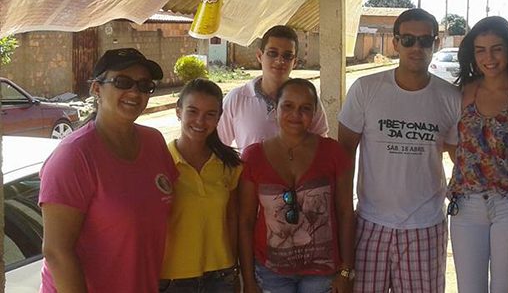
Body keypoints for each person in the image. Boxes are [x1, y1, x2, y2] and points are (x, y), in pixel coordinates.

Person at [338, 8, 461, 293]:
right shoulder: (366, 89)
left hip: (425, 227)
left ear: (436, 43)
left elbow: (461, 159)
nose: (416, 47)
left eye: (425, 40)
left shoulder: (450, 98)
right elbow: (344, 155)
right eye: (408, 40)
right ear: (395, 43)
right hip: (370, 225)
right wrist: (343, 215)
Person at [39, 48, 178, 293]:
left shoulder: (154, 142)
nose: (135, 92)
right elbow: (56, 252)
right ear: (96, 89)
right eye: (122, 82)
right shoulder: (74, 156)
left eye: (144, 85)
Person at [446, 16, 508, 293]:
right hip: (466, 208)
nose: (488, 58)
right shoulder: (463, 94)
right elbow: (450, 142)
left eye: (496, 49)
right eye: (481, 50)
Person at [238, 78, 355, 293]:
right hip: (271, 272)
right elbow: (245, 220)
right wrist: (248, 279)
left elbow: (346, 212)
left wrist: (346, 270)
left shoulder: (334, 153)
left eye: (305, 108)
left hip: (322, 271)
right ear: (276, 108)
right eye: (288, 106)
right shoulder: (253, 157)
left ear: (314, 113)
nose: (296, 114)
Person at [160, 78, 243, 292]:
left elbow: (232, 218)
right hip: (172, 278)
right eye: (192, 111)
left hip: (221, 276)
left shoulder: (229, 165)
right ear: (178, 111)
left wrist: (234, 267)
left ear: (219, 118)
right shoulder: (159, 162)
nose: (200, 121)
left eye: (210, 114)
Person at [218, 25, 328, 149]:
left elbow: (321, 147)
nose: (279, 61)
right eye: (272, 53)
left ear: (295, 62)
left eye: (287, 56)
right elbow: (218, 147)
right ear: (259, 56)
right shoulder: (237, 99)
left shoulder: (308, 100)